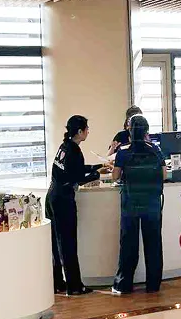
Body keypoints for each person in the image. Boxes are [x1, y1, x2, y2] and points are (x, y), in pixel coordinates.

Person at [47, 115, 102, 295]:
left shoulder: (65, 147)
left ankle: (58, 282)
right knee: (68, 243)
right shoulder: (75, 151)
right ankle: (75, 286)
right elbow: (78, 177)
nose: (88, 132)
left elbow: (75, 169)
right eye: (87, 129)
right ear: (80, 131)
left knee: (57, 244)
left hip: (52, 196)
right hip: (63, 200)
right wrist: (96, 175)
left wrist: (96, 167)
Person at [111, 115, 167, 294]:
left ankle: (124, 284)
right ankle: (153, 284)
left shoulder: (123, 152)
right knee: (153, 244)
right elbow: (164, 175)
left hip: (130, 204)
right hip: (151, 203)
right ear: (146, 132)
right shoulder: (155, 149)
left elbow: (115, 176)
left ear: (129, 130)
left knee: (128, 244)